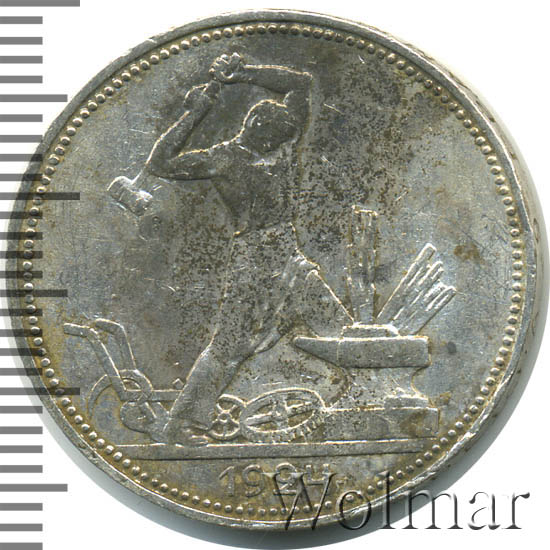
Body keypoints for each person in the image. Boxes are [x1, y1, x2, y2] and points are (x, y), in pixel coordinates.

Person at [142, 53, 351, 445]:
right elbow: (160, 163)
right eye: (271, 141)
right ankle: (179, 426)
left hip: (287, 253)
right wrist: (194, 114)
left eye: (283, 141)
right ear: (254, 129)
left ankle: (367, 396)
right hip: (253, 260)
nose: (279, 149)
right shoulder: (224, 158)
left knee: (336, 324)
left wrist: (244, 73)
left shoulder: (284, 139)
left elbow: (301, 83)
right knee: (229, 345)